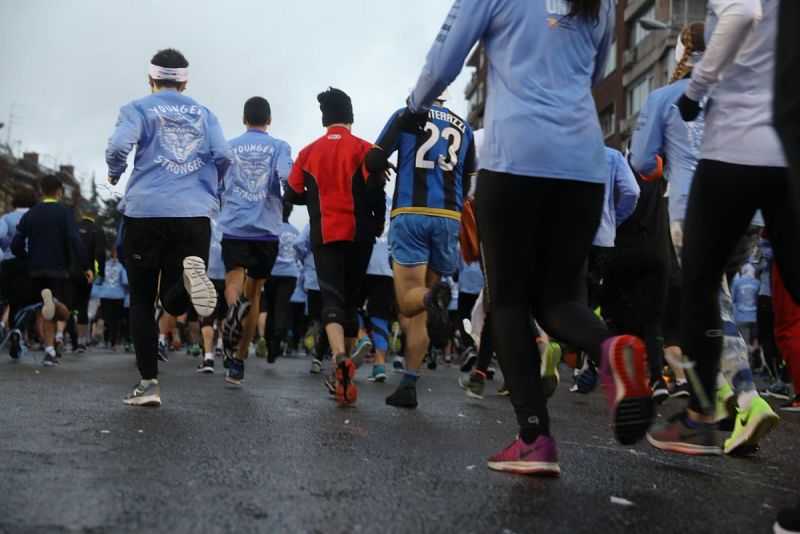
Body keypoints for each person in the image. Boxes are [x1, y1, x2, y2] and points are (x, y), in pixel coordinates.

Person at [402, 0, 656, 476]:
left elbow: (443, 61)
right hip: (582, 163)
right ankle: (609, 348)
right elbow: (592, 73)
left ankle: (535, 439)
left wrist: (415, 106)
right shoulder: (599, 5)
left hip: (515, 157)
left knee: (511, 301)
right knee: (559, 298)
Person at [647, 0, 791, 456]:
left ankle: (718, 407)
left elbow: (740, 14)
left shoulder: (664, 97)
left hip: (729, 162)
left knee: (703, 288)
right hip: (784, 151)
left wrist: (695, 93)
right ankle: (725, 404)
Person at [106, 48, 232, 406]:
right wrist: (213, 187)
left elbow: (118, 145)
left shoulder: (137, 108)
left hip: (146, 211)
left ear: (151, 79)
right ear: (185, 81)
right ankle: (190, 281)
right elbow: (224, 155)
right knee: (172, 296)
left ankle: (148, 385)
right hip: (194, 213)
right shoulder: (205, 113)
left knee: (143, 301)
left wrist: (115, 172)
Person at [364, 90, 475, 409]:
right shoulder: (464, 127)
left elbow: (372, 160)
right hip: (448, 218)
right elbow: (469, 182)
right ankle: (409, 384)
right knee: (422, 312)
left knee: (410, 299)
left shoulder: (405, 115)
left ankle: (432, 297)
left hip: (411, 213)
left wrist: (385, 162)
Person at [285, 87, 385, 405]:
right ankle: (347, 372)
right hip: (361, 233)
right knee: (352, 302)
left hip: (325, 232)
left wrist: (313, 200)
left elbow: (291, 193)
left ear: (325, 119)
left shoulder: (308, 152)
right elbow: (376, 189)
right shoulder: (366, 148)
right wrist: (379, 221)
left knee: (332, 296)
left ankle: (339, 357)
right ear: (350, 118)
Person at [218, 96, 293, 385]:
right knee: (256, 295)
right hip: (266, 230)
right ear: (269, 120)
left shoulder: (230, 146)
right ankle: (237, 363)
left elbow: (218, 182)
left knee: (234, 282)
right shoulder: (279, 146)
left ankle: (234, 306)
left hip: (235, 226)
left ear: (244, 119)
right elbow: (286, 177)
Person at [11, 175, 93, 367]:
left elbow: (16, 244)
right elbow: (74, 239)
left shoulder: (30, 214)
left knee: (44, 309)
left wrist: (27, 258)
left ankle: (49, 351)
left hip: (36, 269)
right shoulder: (64, 213)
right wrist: (86, 266)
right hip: (59, 269)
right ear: (59, 192)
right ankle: (55, 304)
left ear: (41, 190)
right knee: (63, 312)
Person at [261, 202, 300, 363]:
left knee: (270, 308)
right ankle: (278, 337)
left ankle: (270, 344)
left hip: (271, 272)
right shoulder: (296, 232)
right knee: (282, 309)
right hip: (290, 274)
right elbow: (300, 252)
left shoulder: (271, 229)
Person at [0, 189, 37, 358]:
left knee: (9, 299)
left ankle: (8, 327)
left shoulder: (6, 218)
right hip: (30, 262)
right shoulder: (36, 218)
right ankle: (19, 331)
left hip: (9, 261)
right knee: (26, 301)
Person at [71, 203, 106, 352]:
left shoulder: (73, 227)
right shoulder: (97, 230)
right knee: (83, 306)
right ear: (96, 215)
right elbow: (100, 255)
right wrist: (100, 273)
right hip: (87, 274)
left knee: (68, 306)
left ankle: (63, 337)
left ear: (83, 212)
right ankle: (81, 342)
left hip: (69, 271)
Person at [197, 218, 226, 373]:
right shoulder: (231, 216)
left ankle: (208, 357)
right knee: (225, 315)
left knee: (207, 316)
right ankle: (226, 351)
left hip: (208, 271)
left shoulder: (205, 218)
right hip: (229, 274)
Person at [98, 248, 128, 351]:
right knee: (116, 320)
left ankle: (106, 338)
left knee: (106, 318)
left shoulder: (104, 265)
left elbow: (99, 279)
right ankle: (113, 342)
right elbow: (125, 281)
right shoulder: (121, 266)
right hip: (118, 295)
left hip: (104, 294)